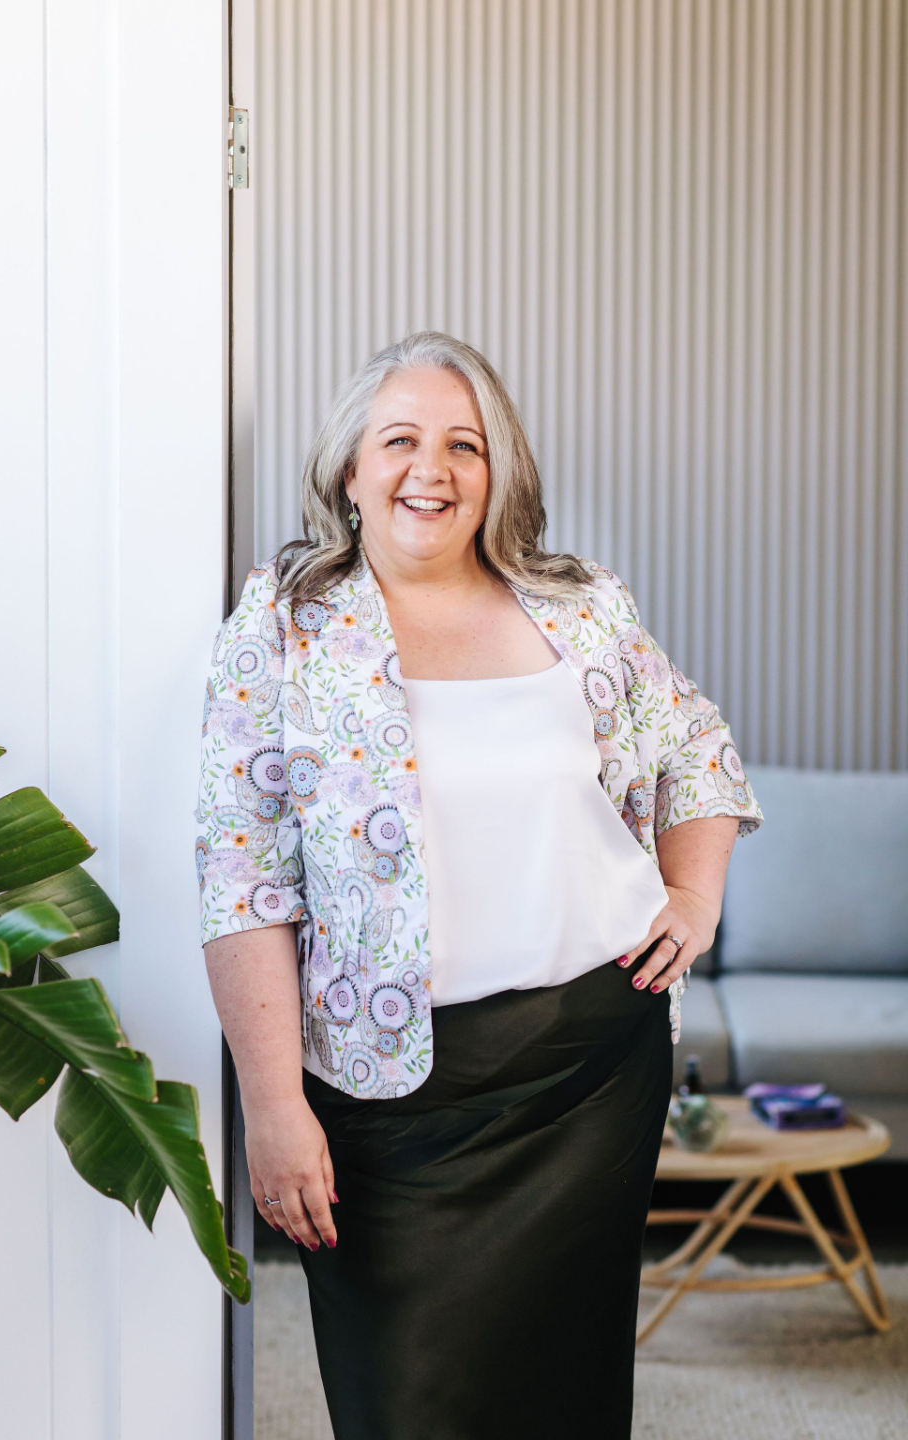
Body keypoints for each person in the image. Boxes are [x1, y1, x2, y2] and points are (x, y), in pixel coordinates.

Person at [197, 331, 763, 1439]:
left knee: (566, 1402)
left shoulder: (581, 605)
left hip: (588, 1069)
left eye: (466, 445)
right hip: (386, 1095)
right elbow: (243, 876)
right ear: (351, 470)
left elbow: (697, 746)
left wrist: (694, 903)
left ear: (498, 471)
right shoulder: (283, 628)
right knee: (402, 1407)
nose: (433, 469)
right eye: (400, 439)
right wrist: (272, 1106)